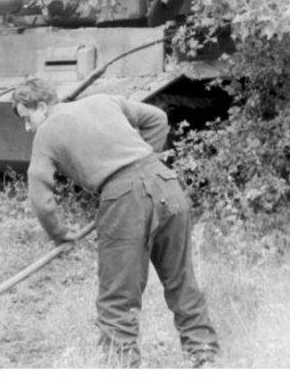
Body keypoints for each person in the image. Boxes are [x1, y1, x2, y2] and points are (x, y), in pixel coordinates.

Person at [11, 77, 219, 368]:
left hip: (124, 199)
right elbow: (157, 119)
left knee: (117, 298)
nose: (27, 127)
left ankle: (121, 370)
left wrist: (59, 233)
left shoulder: (46, 132)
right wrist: (145, 164)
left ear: (43, 107)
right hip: (166, 183)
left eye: (27, 117)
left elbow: (38, 192)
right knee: (182, 280)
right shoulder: (102, 100)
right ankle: (204, 357)